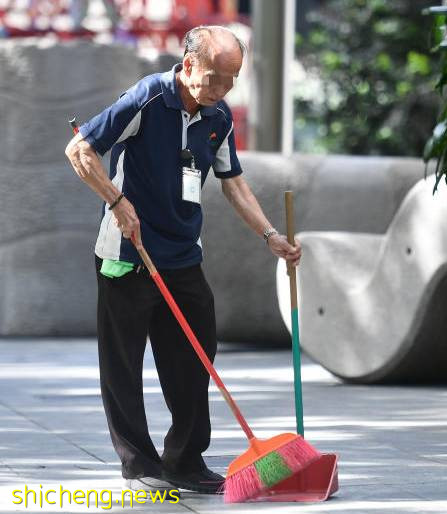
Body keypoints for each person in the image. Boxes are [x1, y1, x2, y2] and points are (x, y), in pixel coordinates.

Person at [64, 25, 302, 494]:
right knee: (123, 364)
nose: (223, 90)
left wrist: (270, 235)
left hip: (181, 255)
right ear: (189, 65)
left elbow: (232, 180)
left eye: (232, 80)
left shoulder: (219, 117)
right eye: (216, 77)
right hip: (128, 252)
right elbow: (80, 149)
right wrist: (116, 199)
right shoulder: (150, 97)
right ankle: (139, 462)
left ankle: (186, 460)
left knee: (197, 356)